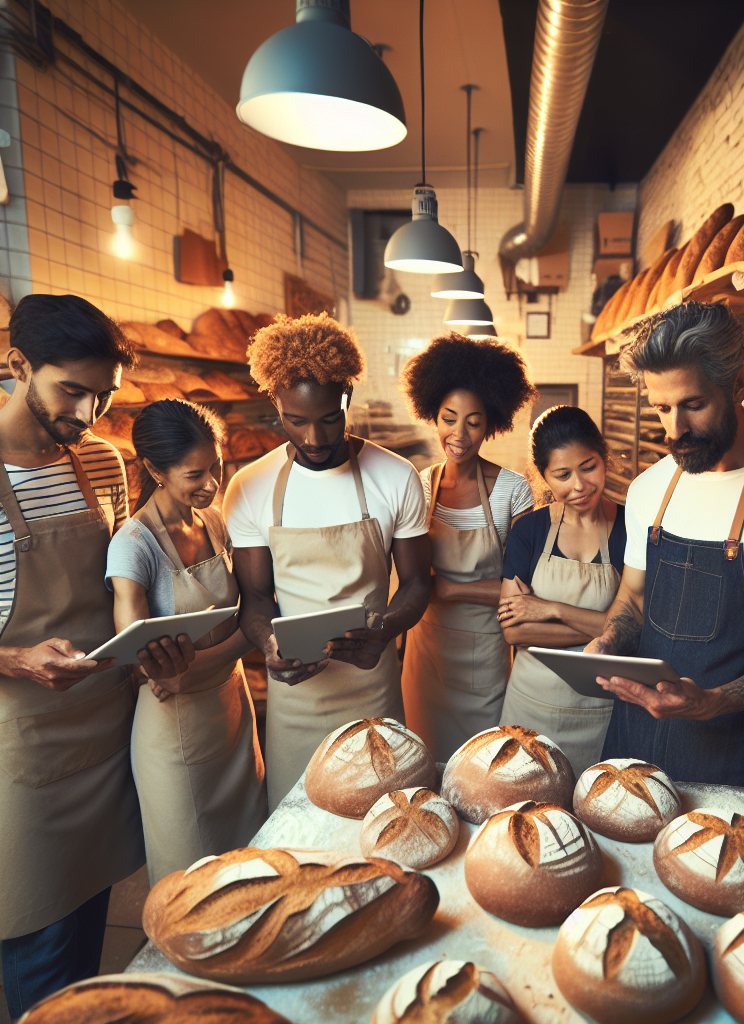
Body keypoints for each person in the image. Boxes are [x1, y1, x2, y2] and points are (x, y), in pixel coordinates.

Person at [586, 301, 744, 801]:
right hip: (631, 751)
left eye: (693, 405)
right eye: (662, 408)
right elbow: (633, 599)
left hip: (733, 762)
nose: (673, 430)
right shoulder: (649, 489)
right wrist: (608, 642)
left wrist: (714, 701)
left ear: (739, 386)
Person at [0, 295, 147, 1018]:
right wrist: (18, 659)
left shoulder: (103, 461)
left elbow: (121, 584)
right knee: (41, 938)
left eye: (106, 395)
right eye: (73, 391)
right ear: (16, 364)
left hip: (106, 728)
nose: (90, 414)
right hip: (25, 746)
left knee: (90, 934)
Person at [223, 313, 431, 809]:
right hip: (296, 698)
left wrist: (386, 630)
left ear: (347, 400)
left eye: (329, 419)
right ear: (275, 404)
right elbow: (254, 599)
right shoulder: (250, 488)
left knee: (383, 828)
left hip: (372, 685)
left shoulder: (395, 476)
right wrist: (269, 643)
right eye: (296, 421)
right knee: (299, 833)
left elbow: (419, 583)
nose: (315, 439)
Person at [105, 400, 267, 884]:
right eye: (195, 475)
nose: (212, 484)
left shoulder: (216, 522)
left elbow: (255, 616)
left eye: (214, 467)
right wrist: (240, 641)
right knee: (190, 879)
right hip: (174, 735)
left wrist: (200, 664)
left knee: (249, 862)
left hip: (234, 714)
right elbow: (138, 662)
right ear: (154, 469)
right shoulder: (133, 545)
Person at [399, 333, 536, 760]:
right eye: (448, 418)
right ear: (432, 416)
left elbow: (523, 590)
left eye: (473, 421)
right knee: (426, 764)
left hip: (485, 657)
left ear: (492, 423)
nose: (458, 434)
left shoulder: (513, 490)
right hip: (426, 654)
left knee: (482, 767)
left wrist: (450, 590)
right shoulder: (423, 484)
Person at [497, 405, 627, 775]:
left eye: (588, 467)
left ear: (603, 458)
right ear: (544, 477)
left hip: (601, 711)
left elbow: (635, 629)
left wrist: (550, 608)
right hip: (531, 707)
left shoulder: (628, 529)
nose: (579, 485)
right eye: (562, 474)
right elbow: (514, 630)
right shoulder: (530, 531)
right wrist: (603, 623)